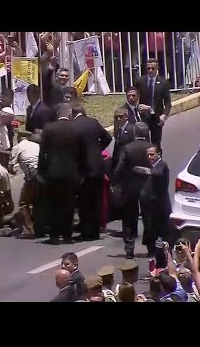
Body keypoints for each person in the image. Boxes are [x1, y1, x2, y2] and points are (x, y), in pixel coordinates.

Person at [37, 103, 85, 245]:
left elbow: (43, 153)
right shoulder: (76, 129)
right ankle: (67, 235)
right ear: (70, 114)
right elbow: (81, 153)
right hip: (71, 173)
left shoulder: (48, 128)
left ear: (58, 114)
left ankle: (54, 235)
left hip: (53, 172)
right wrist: (81, 172)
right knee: (69, 205)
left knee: (53, 205)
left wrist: (41, 172)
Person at [71, 103, 112, 241]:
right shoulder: (93, 122)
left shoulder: (74, 127)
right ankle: (95, 231)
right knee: (97, 200)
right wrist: (97, 150)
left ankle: (87, 232)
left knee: (85, 202)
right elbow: (108, 138)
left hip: (84, 169)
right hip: (98, 167)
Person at [112, 122, 152, 258]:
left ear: (135, 133)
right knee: (148, 218)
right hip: (148, 188)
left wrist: (114, 182)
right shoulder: (152, 148)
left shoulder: (127, 148)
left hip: (130, 188)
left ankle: (129, 249)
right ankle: (151, 247)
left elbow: (119, 168)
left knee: (129, 218)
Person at [134, 144, 173, 256]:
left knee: (161, 231)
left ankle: (162, 253)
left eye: (152, 154)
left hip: (159, 206)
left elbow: (159, 174)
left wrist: (148, 171)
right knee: (149, 229)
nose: (150, 157)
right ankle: (151, 251)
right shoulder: (148, 166)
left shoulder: (162, 165)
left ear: (158, 154)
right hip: (148, 207)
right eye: (148, 155)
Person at [8, 133, 40, 239]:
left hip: (33, 175)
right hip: (44, 174)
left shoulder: (17, 147)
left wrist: (12, 172)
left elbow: (10, 167)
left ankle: (29, 230)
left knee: (23, 203)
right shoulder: (36, 146)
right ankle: (41, 226)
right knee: (38, 200)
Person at [135, 58, 172, 151]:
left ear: (157, 69)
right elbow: (134, 96)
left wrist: (164, 115)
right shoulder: (140, 81)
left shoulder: (163, 82)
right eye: (148, 68)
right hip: (144, 117)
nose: (150, 71)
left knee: (156, 144)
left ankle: (158, 163)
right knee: (145, 144)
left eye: (153, 68)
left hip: (157, 117)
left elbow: (167, 102)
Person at [111, 107, 134, 171]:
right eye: (116, 117)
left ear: (126, 116)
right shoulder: (118, 130)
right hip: (117, 163)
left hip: (126, 165)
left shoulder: (132, 130)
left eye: (120, 116)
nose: (118, 119)